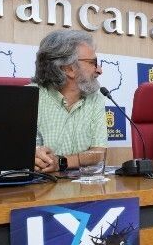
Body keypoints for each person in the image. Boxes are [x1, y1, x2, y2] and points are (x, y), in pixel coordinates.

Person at [33, 29, 107, 173]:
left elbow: (99, 152)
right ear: (68, 69)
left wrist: (60, 162)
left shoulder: (95, 99)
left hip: (83, 184)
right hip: (40, 184)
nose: (99, 70)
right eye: (93, 63)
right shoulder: (31, 98)